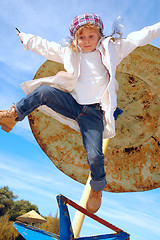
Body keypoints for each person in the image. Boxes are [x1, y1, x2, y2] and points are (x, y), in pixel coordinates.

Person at [0, 13, 160, 213]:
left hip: (93, 114)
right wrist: (26, 38)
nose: (86, 42)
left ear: (100, 35)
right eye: (81, 37)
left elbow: (142, 36)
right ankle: (13, 115)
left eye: (91, 37)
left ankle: (97, 186)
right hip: (72, 103)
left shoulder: (113, 49)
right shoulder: (70, 52)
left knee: (95, 156)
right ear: (75, 38)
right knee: (43, 92)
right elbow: (47, 47)